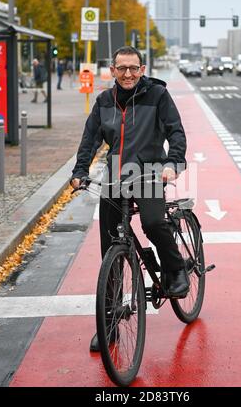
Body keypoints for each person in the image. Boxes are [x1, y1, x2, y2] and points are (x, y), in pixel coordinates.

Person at [71, 46, 189, 352]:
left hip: (149, 170)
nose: (127, 74)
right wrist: (80, 171)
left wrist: (173, 163)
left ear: (142, 68)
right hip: (114, 174)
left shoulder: (158, 96)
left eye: (133, 68)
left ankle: (175, 269)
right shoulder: (103, 101)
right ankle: (109, 325)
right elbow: (90, 140)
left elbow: (176, 132)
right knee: (110, 248)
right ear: (112, 70)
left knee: (152, 222)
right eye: (121, 68)